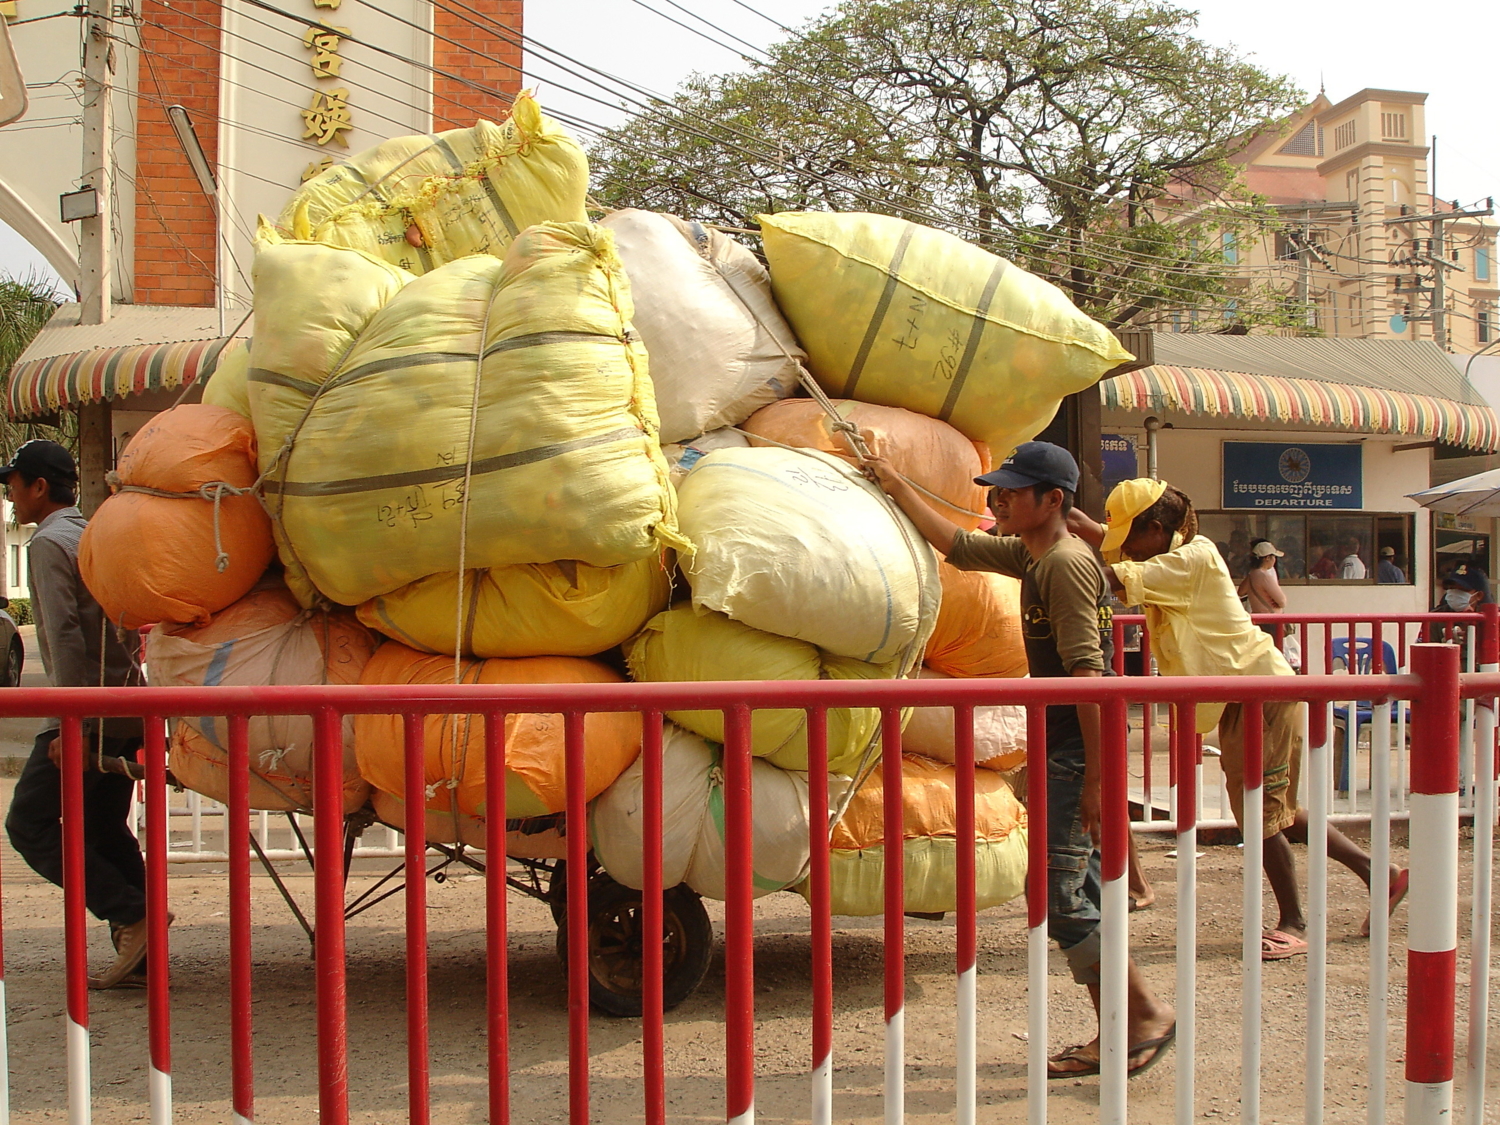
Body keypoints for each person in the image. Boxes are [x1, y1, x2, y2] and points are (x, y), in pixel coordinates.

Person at [865, 441, 1175, 1079]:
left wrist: (1095, 776)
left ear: (1053, 500)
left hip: (1075, 750)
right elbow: (955, 544)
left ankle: (1142, 1014)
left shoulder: (1062, 565)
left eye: (1011, 491)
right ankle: (1124, 1024)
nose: (997, 499)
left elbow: (1090, 675)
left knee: (1059, 895)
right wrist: (895, 479)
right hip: (1065, 747)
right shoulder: (1031, 552)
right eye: (996, 489)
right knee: (1076, 889)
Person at [1070, 479, 1408, 959]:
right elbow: (1113, 548)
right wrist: (1079, 526)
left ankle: (1293, 921)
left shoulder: (1192, 559)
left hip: (1258, 695)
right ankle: (1379, 873)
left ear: (1158, 528)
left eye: (1131, 537)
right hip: (1240, 696)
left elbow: (1109, 578)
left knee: (1259, 816)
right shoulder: (1173, 553)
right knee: (1273, 812)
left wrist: (1058, 544)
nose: (1125, 547)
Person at [1, 440, 161, 990]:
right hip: (123, 704)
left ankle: (133, 915)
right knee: (102, 827)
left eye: (15, 483)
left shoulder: (48, 543)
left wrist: (71, 721)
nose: (12, 494)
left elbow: (65, 637)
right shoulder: (88, 532)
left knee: (30, 825)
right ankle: (144, 939)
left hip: (85, 711)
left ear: (38, 487)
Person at [1238, 540, 1287, 621]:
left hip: (1257, 618)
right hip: (1271, 619)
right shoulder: (1264, 575)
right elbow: (1282, 601)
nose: (1274, 560)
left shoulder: (1252, 574)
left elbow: (1241, 592)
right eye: (1273, 556)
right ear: (1267, 558)